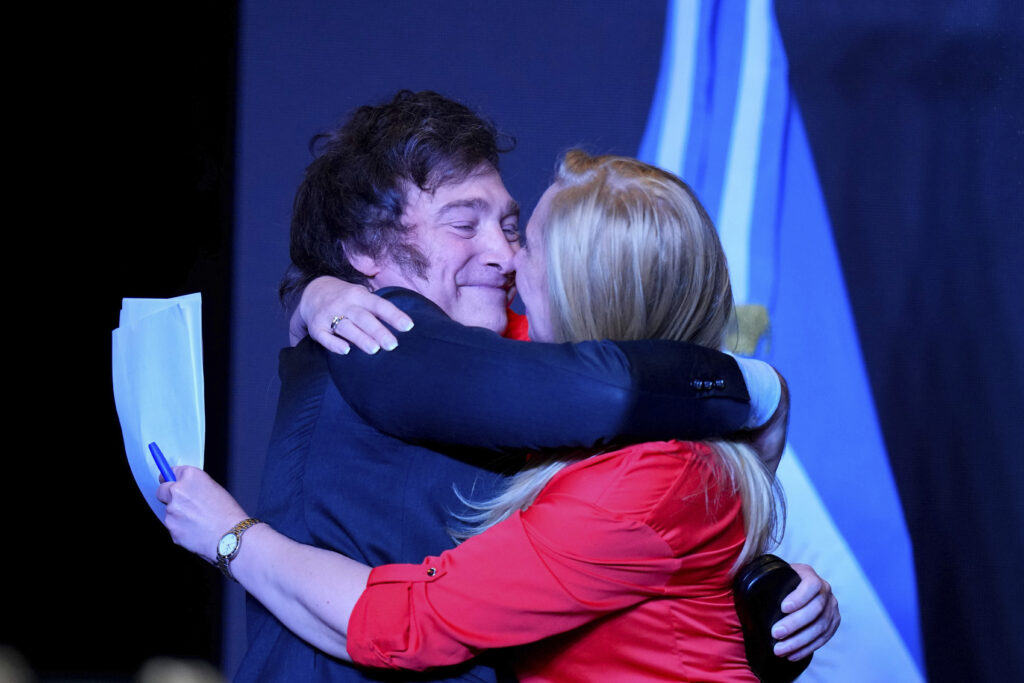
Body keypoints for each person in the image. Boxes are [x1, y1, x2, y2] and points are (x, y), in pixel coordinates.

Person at [176, 91, 837, 682]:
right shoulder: (383, 339)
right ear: (365, 250)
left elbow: (418, 621)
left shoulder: (588, 415)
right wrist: (315, 289)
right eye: (466, 223)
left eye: (515, 229)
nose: (505, 255)